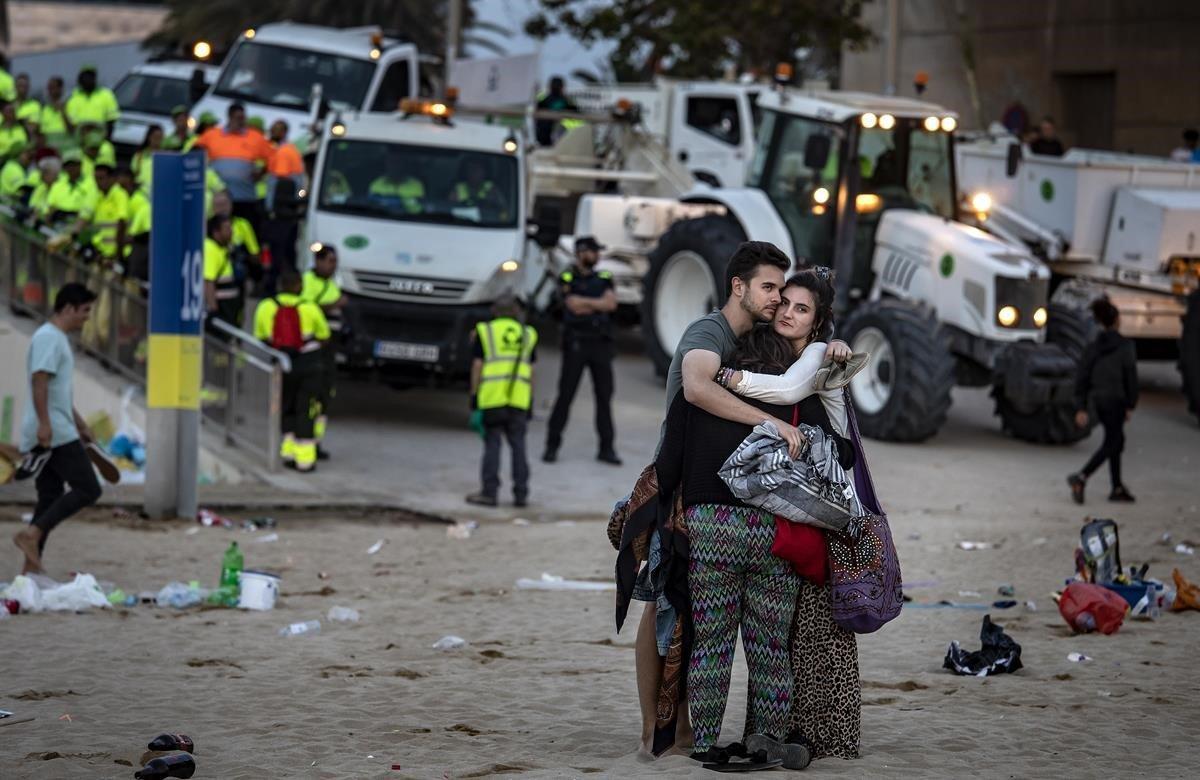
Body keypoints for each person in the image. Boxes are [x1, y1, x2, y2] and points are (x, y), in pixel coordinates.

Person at [719, 268, 862, 762]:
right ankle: (783, 731)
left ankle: (827, 737)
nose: (786, 313)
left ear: (818, 322)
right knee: (789, 630)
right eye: (784, 303)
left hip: (833, 501)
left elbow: (783, 393)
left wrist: (726, 378)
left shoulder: (818, 356)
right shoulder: (787, 351)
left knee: (822, 630)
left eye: (801, 309)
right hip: (809, 502)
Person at [12, 283, 102, 574]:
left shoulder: (56, 338)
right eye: (85, 311)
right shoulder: (49, 338)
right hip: (54, 432)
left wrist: (81, 423)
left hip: (58, 426)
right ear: (68, 308)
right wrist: (46, 425)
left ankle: (30, 568)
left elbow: (57, 391)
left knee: (49, 496)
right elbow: (40, 380)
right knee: (88, 488)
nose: (87, 317)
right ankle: (32, 534)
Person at [543, 236, 621, 465]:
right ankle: (551, 446)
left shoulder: (605, 277)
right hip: (575, 344)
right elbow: (571, 305)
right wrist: (595, 303)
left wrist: (584, 302)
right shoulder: (567, 276)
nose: (597, 255)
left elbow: (610, 304)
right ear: (581, 253)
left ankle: (606, 449)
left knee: (604, 398)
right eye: (593, 251)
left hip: (601, 344)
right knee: (565, 396)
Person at [253, 270, 330, 473]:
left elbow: (260, 336)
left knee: (286, 406)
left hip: (280, 363)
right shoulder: (310, 308)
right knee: (306, 409)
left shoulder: (265, 307)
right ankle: (305, 461)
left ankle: (288, 453)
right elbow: (324, 335)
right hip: (309, 363)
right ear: (299, 286)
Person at [466, 295, 538, 507]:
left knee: (492, 445)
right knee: (519, 447)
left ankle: (489, 493)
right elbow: (532, 371)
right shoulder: (528, 334)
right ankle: (521, 494)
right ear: (516, 312)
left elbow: (477, 366)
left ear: (494, 311)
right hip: (519, 400)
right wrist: (530, 400)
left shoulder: (485, 331)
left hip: (492, 398)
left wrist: (474, 394)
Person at [1068, 297, 1138, 504]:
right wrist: (1130, 404)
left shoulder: (1093, 347)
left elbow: (1082, 377)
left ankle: (1116, 487)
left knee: (1115, 441)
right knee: (1113, 442)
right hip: (1116, 400)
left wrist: (1081, 407)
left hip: (1098, 400)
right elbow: (1130, 376)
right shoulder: (1125, 347)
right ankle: (1081, 477)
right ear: (1116, 320)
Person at [193, 103, 272, 226]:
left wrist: (261, 172)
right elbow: (194, 151)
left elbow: (272, 157)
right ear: (229, 117)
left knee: (244, 228)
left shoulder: (255, 137)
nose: (241, 122)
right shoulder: (213, 135)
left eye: (243, 118)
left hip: (245, 197)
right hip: (220, 199)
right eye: (238, 118)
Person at [301, 245, 347, 458]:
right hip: (314, 348)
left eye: (335, 261)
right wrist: (335, 304)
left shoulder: (334, 282)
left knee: (325, 397)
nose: (333, 265)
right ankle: (307, 441)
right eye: (329, 261)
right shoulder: (307, 281)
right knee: (310, 396)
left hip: (330, 348)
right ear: (318, 261)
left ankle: (316, 442)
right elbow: (307, 310)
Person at [203, 213, 243, 329]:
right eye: (227, 229)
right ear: (216, 232)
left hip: (229, 309)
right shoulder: (210, 249)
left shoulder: (224, 248)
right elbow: (208, 282)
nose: (231, 232)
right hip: (220, 310)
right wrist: (213, 310)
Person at [89, 163, 129, 262]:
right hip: (101, 253)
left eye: (101, 178)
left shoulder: (120, 194)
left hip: (115, 254)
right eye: (96, 179)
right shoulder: (99, 197)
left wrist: (118, 254)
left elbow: (122, 223)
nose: (97, 182)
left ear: (112, 179)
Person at [64, 65, 120, 137]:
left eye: (91, 76)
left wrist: (106, 138)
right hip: (80, 140)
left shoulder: (106, 95)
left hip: (100, 139)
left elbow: (111, 120)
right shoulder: (73, 98)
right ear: (80, 79)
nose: (88, 79)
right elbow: (70, 123)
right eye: (85, 76)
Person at [535, 76, 579, 146]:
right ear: (562, 87)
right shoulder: (543, 102)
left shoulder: (567, 102)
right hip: (547, 140)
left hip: (562, 139)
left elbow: (577, 116)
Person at [39, 76, 73, 145]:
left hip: (65, 147)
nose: (50, 91)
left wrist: (63, 112)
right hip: (50, 148)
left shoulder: (70, 106)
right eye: (49, 88)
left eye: (53, 87)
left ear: (60, 89)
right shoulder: (45, 110)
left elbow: (72, 130)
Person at [131, 124, 164, 190]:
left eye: (159, 137)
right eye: (155, 137)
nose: (157, 140)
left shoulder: (165, 157)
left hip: (158, 190)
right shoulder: (139, 155)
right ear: (149, 137)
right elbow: (134, 173)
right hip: (141, 191)